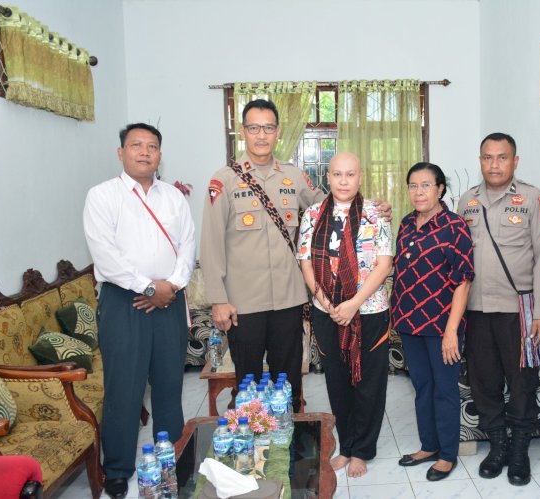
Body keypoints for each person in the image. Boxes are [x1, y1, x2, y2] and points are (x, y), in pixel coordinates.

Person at [201, 99, 390, 412]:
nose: (261, 135)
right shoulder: (224, 180)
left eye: (269, 128)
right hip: (243, 301)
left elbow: (334, 204)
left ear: (277, 133)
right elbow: (210, 244)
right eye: (254, 128)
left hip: (289, 299)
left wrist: (373, 208)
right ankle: (251, 448)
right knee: (247, 384)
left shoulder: (294, 177)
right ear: (243, 133)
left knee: (288, 382)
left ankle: (289, 445)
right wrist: (217, 299)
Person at [83, 123, 195, 499]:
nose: (145, 152)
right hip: (123, 302)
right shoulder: (102, 196)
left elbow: (187, 247)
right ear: (121, 153)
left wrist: (171, 286)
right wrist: (149, 287)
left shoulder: (174, 198)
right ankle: (117, 469)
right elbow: (105, 256)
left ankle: (174, 456)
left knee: (168, 384)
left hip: (170, 300)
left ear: (160, 154)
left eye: (152, 146)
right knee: (124, 388)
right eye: (136, 146)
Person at [457, 133, 540, 485]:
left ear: (515, 161)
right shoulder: (467, 201)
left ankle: (519, 452)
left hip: (521, 309)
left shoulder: (533, 198)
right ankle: (497, 446)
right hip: (477, 309)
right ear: (480, 160)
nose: (494, 164)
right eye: (487, 157)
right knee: (484, 383)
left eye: (501, 157)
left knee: (522, 382)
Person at [297, 151, 393, 478]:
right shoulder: (312, 215)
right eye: (337, 174)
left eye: (350, 174)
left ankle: (362, 451)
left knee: (368, 384)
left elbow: (384, 264)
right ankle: (346, 446)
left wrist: (353, 304)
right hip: (328, 312)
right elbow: (306, 262)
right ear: (328, 177)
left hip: (369, 311)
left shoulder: (375, 214)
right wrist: (325, 300)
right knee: (337, 382)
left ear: (360, 177)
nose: (343, 181)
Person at [392, 162, 474, 482]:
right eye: (413, 185)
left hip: (442, 325)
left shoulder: (454, 226)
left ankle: (448, 454)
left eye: (426, 185)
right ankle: (429, 445)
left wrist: (452, 330)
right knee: (422, 387)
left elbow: (463, 281)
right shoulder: (407, 223)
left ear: (440, 188)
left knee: (444, 390)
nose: (418, 192)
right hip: (409, 322)